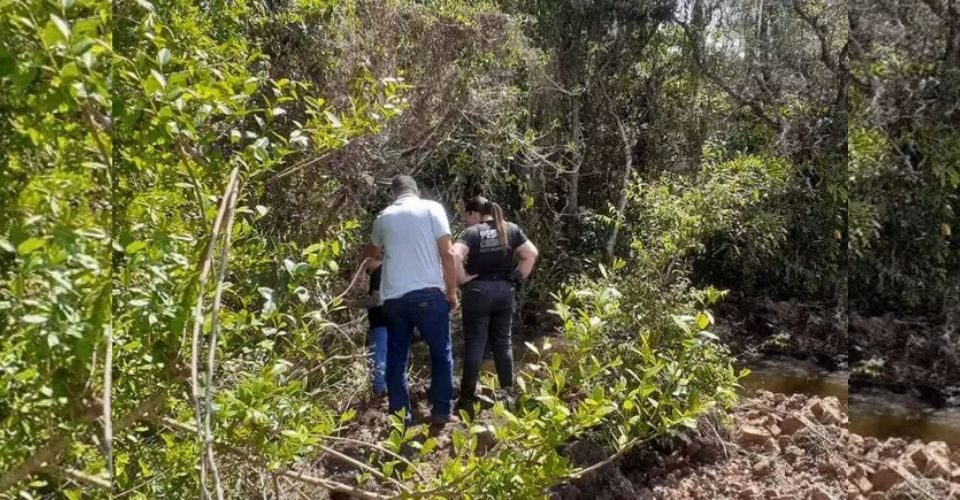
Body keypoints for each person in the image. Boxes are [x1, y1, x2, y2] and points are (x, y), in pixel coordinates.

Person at [360, 176, 460, 426]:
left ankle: (399, 417)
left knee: (396, 357)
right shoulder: (432, 209)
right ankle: (440, 411)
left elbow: (369, 256)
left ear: (394, 193)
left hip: (393, 299)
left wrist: (376, 263)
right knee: (440, 352)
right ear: (416, 191)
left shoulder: (384, 217)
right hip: (428, 294)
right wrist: (452, 292)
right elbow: (447, 253)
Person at [452, 196, 538, 414]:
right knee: (503, 343)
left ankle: (467, 399)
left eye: (467, 216)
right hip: (504, 291)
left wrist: (462, 279)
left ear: (474, 214)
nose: (466, 221)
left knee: (475, 344)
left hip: (478, 292)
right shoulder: (510, 228)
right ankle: (508, 393)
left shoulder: (471, 233)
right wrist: (517, 278)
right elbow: (531, 254)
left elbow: (454, 255)